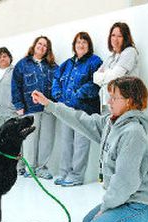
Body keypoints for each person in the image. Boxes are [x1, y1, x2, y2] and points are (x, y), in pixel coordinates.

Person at [32, 76, 148, 222]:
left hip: (146, 202)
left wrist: (106, 207)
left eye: (114, 97)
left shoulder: (133, 133)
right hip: (128, 198)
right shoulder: (110, 123)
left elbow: (125, 182)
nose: (109, 101)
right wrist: (50, 105)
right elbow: (80, 120)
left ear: (129, 101)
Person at [51, 32, 102, 186]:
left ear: (89, 45)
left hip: (84, 109)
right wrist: (58, 95)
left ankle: (76, 176)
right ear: (74, 45)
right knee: (66, 142)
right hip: (67, 109)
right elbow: (56, 80)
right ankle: (64, 172)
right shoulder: (67, 64)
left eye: (84, 42)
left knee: (81, 144)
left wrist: (77, 94)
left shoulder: (95, 61)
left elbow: (95, 83)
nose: (81, 45)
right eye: (78, 42)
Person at [11, 36, 58, 179]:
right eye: (40, 44)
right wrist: (19, 105)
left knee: (47, 139)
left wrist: (56, 104)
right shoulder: (22, 64)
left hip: (48, 108)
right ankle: (29, 167)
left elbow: (58, 85)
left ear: (47, 50)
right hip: (29, 109)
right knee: (30, 139)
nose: (42, 47)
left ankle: (41, 167)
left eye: (45, 45)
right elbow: (15, 85)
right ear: (34, 45)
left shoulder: (53, 66)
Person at [94, 22, 139, 113]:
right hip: (107, 103)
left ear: (125, 38)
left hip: (123, 104)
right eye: (113, 35)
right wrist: (107, 74)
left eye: (119, 36)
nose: (115, 39)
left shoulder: (129, 52)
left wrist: (104, 74)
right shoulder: (111, 57)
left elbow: (114, 77)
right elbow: (95, 77)